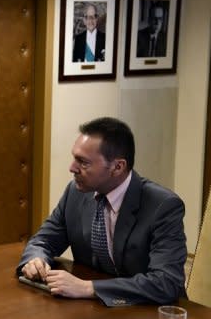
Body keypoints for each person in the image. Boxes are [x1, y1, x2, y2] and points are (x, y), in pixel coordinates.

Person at [18, 117, 186, 307]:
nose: (72, 168)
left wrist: (90, 288)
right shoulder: (75, 192)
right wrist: (36, 259)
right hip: (94, 311)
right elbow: (44, 240)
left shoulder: (163, 206)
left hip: (149, 311)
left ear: (117, 167)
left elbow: (166, 282)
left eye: (83, 162)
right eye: (74, 158)